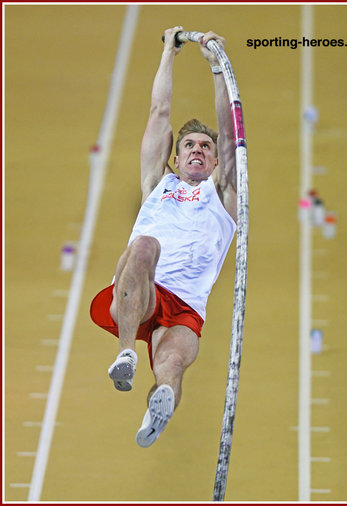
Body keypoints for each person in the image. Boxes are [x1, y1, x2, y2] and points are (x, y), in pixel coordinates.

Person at [90, 26, 237, 448]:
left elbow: (230, 138)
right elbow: (159, 112)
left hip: (187, 306)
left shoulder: (222, 194)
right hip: (141, 290)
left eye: (205, 148)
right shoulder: (158, 183)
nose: (197, 150)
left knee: (171, 366)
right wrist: (169, 54)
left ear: (213, 162)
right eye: (189, 144)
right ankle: (126, 354)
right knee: (144, 246)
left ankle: (160, 409)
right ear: (176, 156)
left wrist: (216, 69)